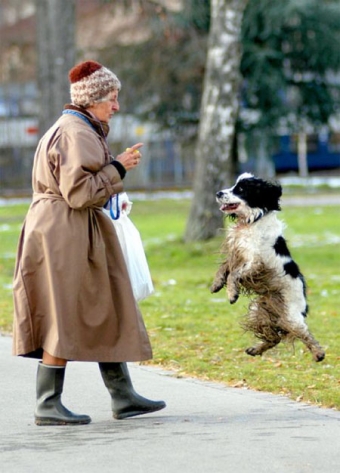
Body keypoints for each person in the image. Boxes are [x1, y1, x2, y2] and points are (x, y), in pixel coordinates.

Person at [12, 60, 166, 426]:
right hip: (63, 233)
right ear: (92, 98)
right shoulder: (75, 132)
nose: (116, 105)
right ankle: (47, 404)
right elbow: (79, 193)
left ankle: (123, 396)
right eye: (111, 98)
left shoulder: (79, 127)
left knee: (105, 304)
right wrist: (119, 167)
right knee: (62, 313)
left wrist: (112, 176)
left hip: (71, 229)